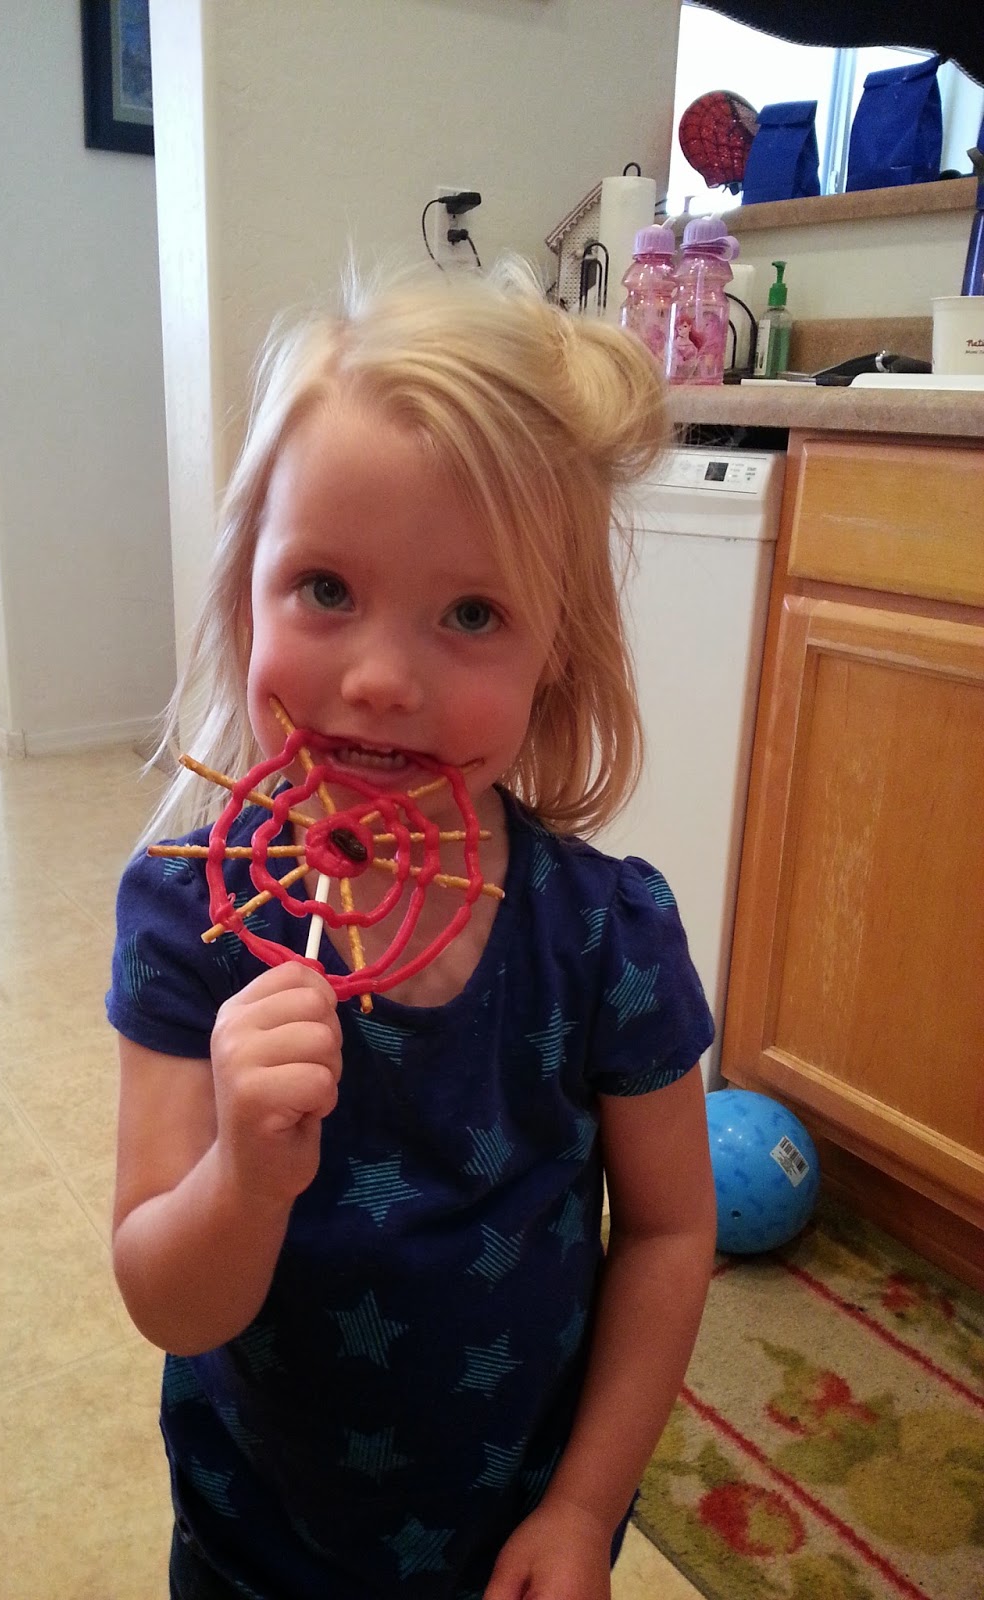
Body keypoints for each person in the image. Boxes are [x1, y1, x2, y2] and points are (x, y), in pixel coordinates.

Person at [107, 264, 718, 1600]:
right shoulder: (188, 918)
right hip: (255, 1548)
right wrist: (244, 1178)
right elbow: (163, 1298)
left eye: (472, 614)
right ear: (245, 595)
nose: (382, 679)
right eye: (325, 588)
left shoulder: (606, 939)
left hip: (513, 1545)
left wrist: (582, 1511)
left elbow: (671, 1235)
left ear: (558, 654)